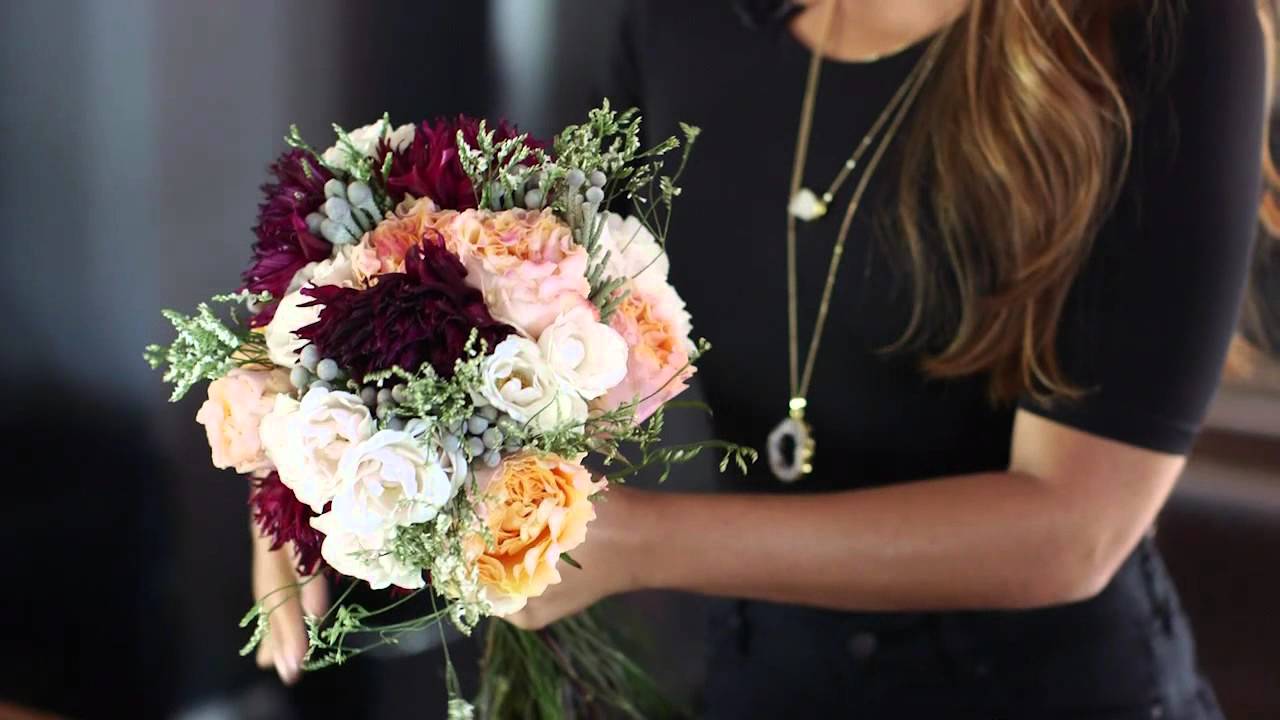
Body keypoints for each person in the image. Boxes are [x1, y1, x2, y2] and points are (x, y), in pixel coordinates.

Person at [252, 0, 1271, 717]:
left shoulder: (1159, 27)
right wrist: (309, 432)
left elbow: (1075, 530)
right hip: (761, 686)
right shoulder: (687, 21)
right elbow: (515, 287)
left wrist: (641, 544)